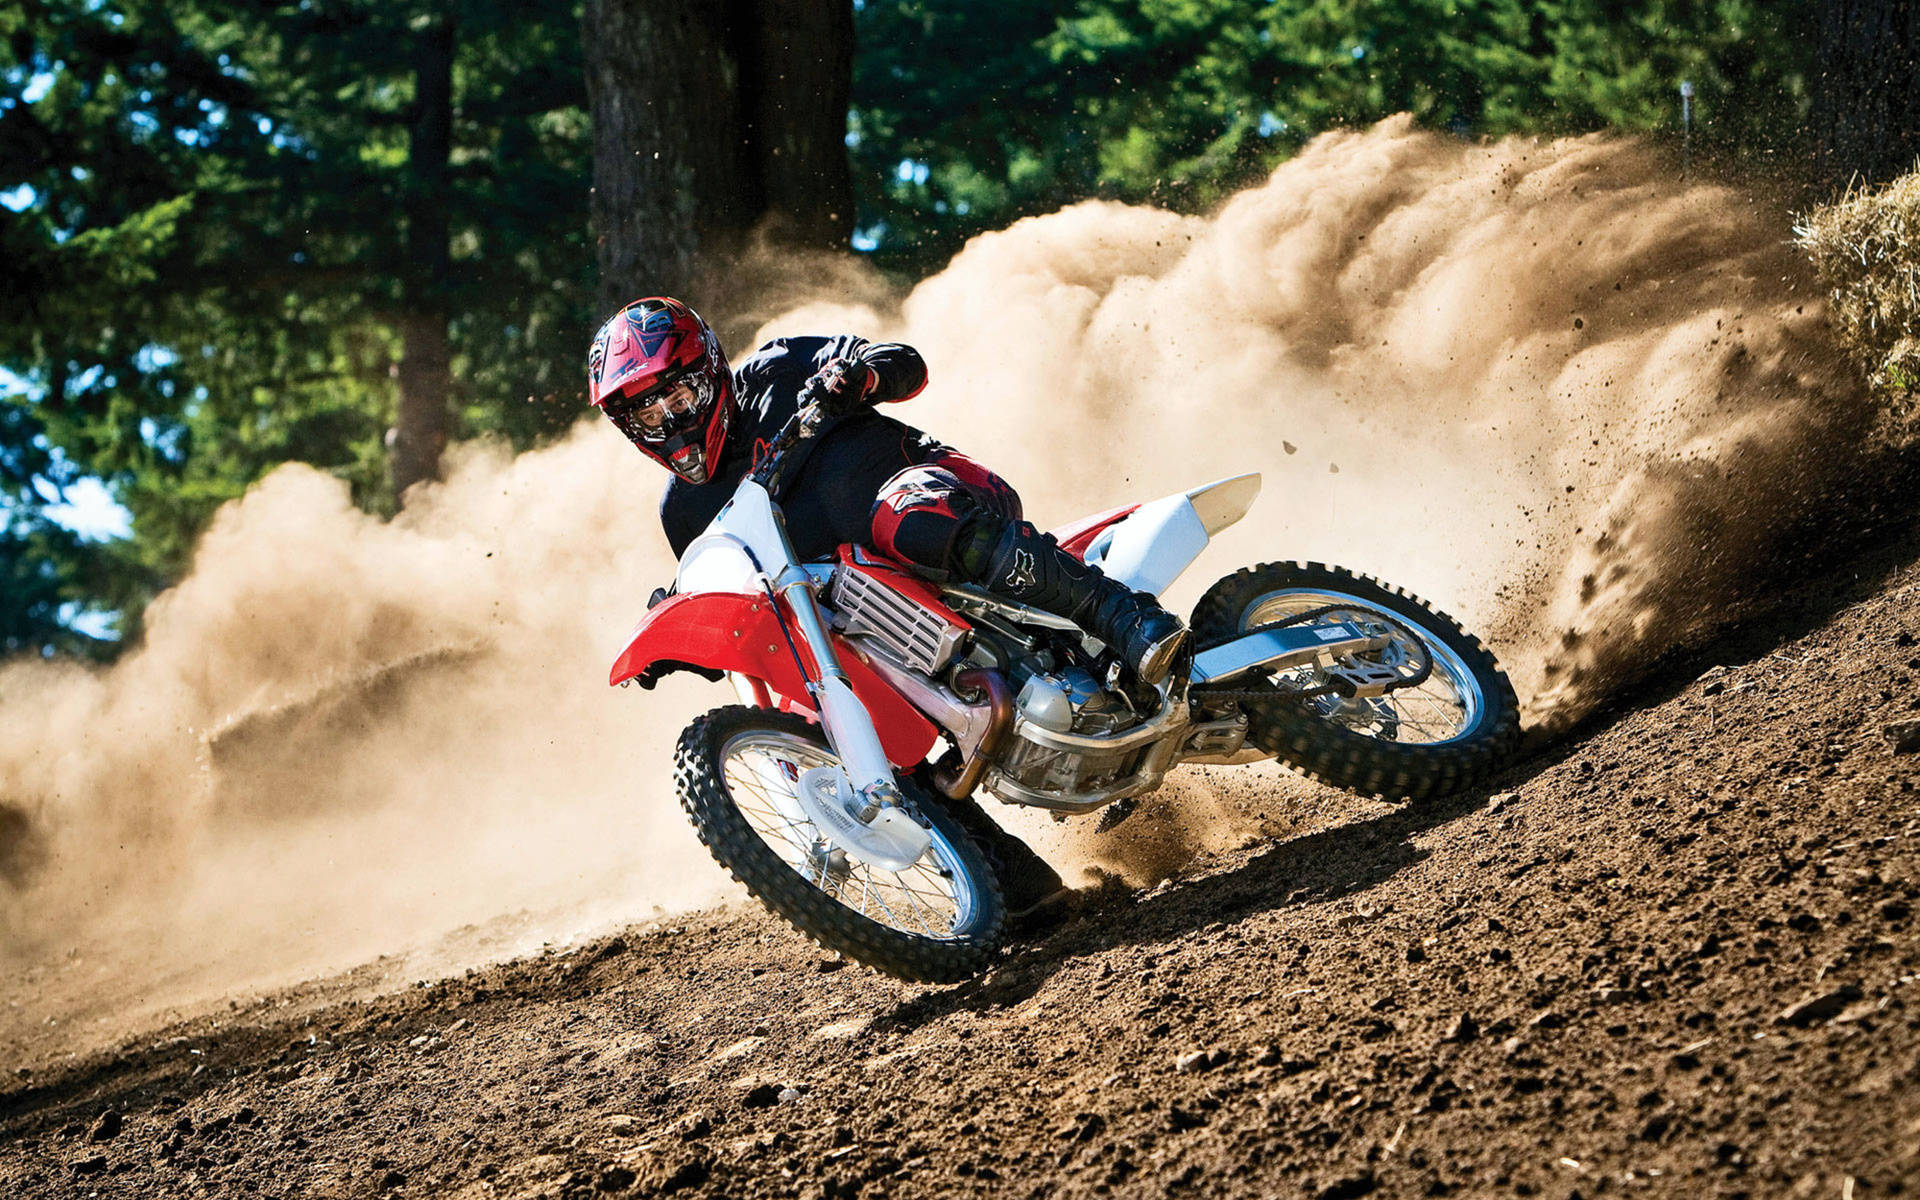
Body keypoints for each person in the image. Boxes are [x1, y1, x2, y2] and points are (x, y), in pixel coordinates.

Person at [587, 296, 1189, 922]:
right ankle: (1011, 883)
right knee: (832, 713)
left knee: (908, 517)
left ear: (709, 371)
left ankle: (1127, 617)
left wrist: (861, 377)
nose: (669, 424)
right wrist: (684, 627)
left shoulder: (777, 370)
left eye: (677, 400)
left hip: (937, 499)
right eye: (646, 416)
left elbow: (906, 364)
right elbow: (743, 604)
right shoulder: (681, 513)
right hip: (872, 615)